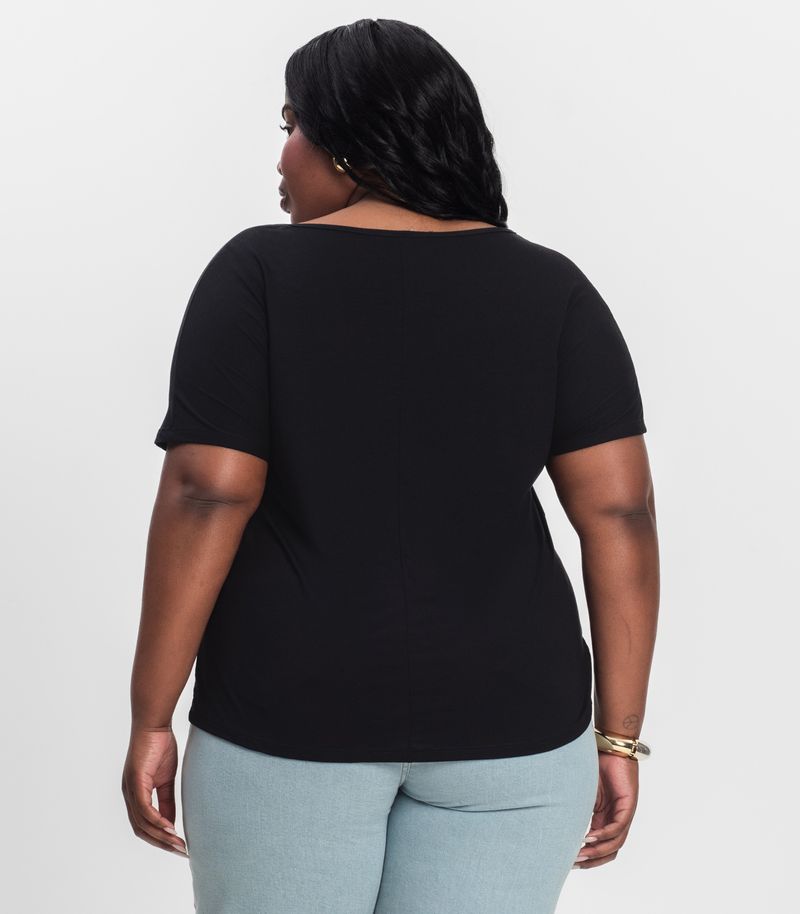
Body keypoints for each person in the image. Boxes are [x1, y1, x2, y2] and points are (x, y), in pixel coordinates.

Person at [121, 17, 659, 914]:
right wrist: (620, 736)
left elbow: (208, 489)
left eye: (293, 124)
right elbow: (620, 512)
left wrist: (150, 715)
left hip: (289, 718)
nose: (282, 157)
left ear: (350, 144)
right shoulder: (553, 287)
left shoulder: (258, 272)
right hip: (516, 728)